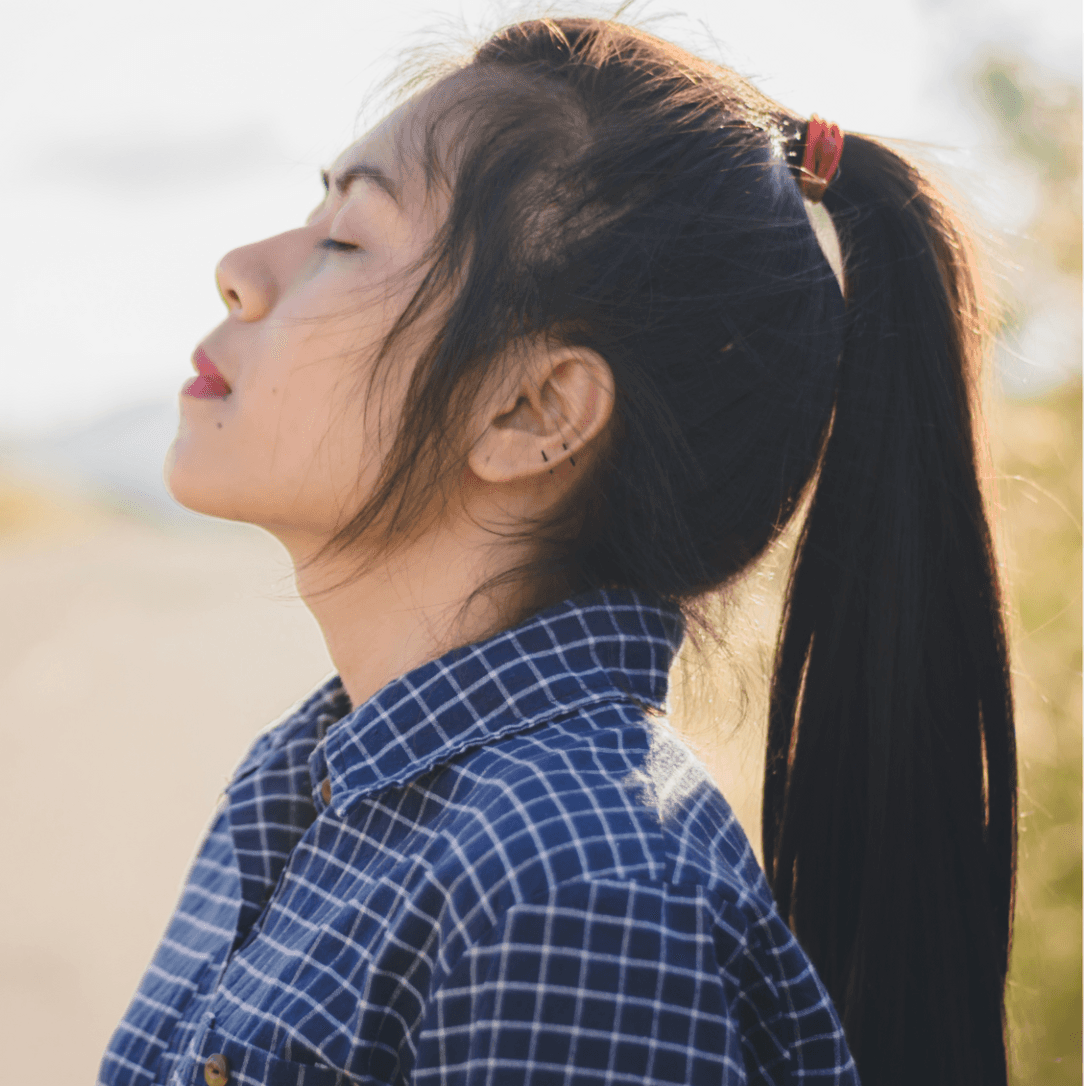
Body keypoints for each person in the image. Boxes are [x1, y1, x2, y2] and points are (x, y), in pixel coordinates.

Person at [99, 17, 1016, 1086]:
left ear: (532, 410)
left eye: (344, 240)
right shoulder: (304, 786)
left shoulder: (570, 890)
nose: (239, 270)